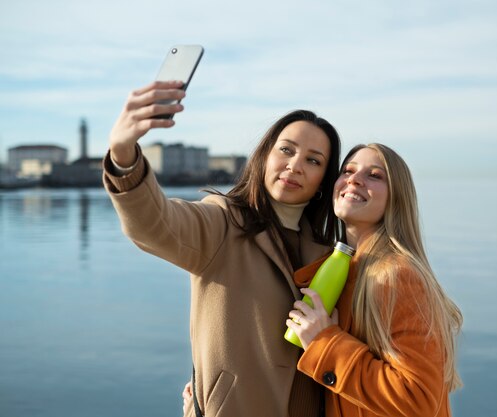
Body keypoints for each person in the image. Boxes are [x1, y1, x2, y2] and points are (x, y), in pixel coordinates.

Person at [103, 80, 342, 417]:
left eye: (313, 160)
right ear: (265, 155)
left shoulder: (327, 255)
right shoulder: (223, 223)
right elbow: (155, 223)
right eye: (286, 150)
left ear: (323, 181)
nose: (295, 165)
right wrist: (123, 155)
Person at [285, 143, 463, 416]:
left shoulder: (398, 276)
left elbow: (419, 401)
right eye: (348, 170)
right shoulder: (346, 269)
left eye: (375, 175)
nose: (354, 179)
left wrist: (324, 342)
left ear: (397, 198)